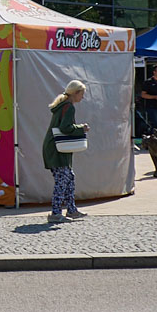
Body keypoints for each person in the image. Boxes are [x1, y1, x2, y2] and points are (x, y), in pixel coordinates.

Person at [42, 80, 89, 224]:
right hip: (57, 150)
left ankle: (71, 210)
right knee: (62, 180)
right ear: (76, 93)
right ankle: (56, 213)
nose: (83, 97)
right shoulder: (69, 107)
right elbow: (65, 128)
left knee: (69, 177)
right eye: (82, 94)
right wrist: (81, 128)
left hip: (54, 148)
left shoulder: (63, 104)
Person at [138, 66, 157, 138]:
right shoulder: (148, 82)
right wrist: (154, 97)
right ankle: (155, 138)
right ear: (154, 72)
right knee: (156, 124)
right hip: (151, 106)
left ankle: (150, 137)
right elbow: (143, 95)